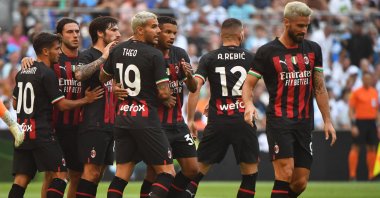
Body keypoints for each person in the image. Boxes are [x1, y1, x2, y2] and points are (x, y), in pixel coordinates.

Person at [242, 2, 337, 197]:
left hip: (304, 122)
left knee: (299, 182)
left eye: (307, 26)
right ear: (286, 23)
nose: (304, 30)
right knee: (285, 172)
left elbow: (319, 87)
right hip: (279, 121)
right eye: (300, 26)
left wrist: (327, 119)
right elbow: (248, 84)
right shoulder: (267, 51)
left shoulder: (313, 49)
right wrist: (249, 104)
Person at [9, 32, 101, 198]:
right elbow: (62, 105)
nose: (59, 52)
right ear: (45, 51)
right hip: (42, 132)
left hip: (22, 131)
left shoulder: (22, 72)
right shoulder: (47, 73)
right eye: (57, 49)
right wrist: (86, 100)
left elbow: (15, 104)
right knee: (60, 176)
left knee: (21, 179)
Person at [99, 11, 175, 198]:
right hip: (145, 119)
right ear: (140, 30)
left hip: (123, 117)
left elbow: (103, 77)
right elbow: (164, 93)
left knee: (121, 174)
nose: (158, 30)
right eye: (154, 26)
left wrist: (115, 85)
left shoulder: (118, 50)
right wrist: (166, 96)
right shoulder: (154, 54)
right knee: (167, 173)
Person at [186, 18, 259, 198]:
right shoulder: (251, 57)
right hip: (244, 119)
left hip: (218, 121)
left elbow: (195, 88)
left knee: (196, 173)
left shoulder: (209, 57)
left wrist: (190, 119)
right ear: (241, 34)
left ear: (221, 36)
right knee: (249, 175)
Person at [137, 16, 199, 198]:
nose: (172, 36)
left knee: (192, 169)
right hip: (156, 124)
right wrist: (161, 96)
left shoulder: (180, 54)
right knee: (154, 172)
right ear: (158, 32)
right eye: (167, 32)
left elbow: (194, 88)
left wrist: (188, 76)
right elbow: (140, 90)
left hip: (178, 123)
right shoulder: (148, 55)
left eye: (174, 33)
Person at [73, 16, 120, 197]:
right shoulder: (88, 54)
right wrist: (104, 57)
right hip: (93, 123)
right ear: (100, 33)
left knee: (98, 174)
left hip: (111, 124)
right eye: (113, 30)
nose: (118, 33)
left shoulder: (117, 57)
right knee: (91, 173)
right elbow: (79, 74)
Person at [348, 72, 380, 181]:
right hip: (360, 122)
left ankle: (371, 175)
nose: (367, 81)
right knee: (356, 147)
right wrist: (353, 125)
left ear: (371, 80)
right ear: (362, 80)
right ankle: (352, 175)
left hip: (371, 123)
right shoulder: (356, 92)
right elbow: (351, 110)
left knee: (372, 147)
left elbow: (377, 111)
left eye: (369, 79)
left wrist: (378, 125)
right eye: (365, 79)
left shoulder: (374, 92)